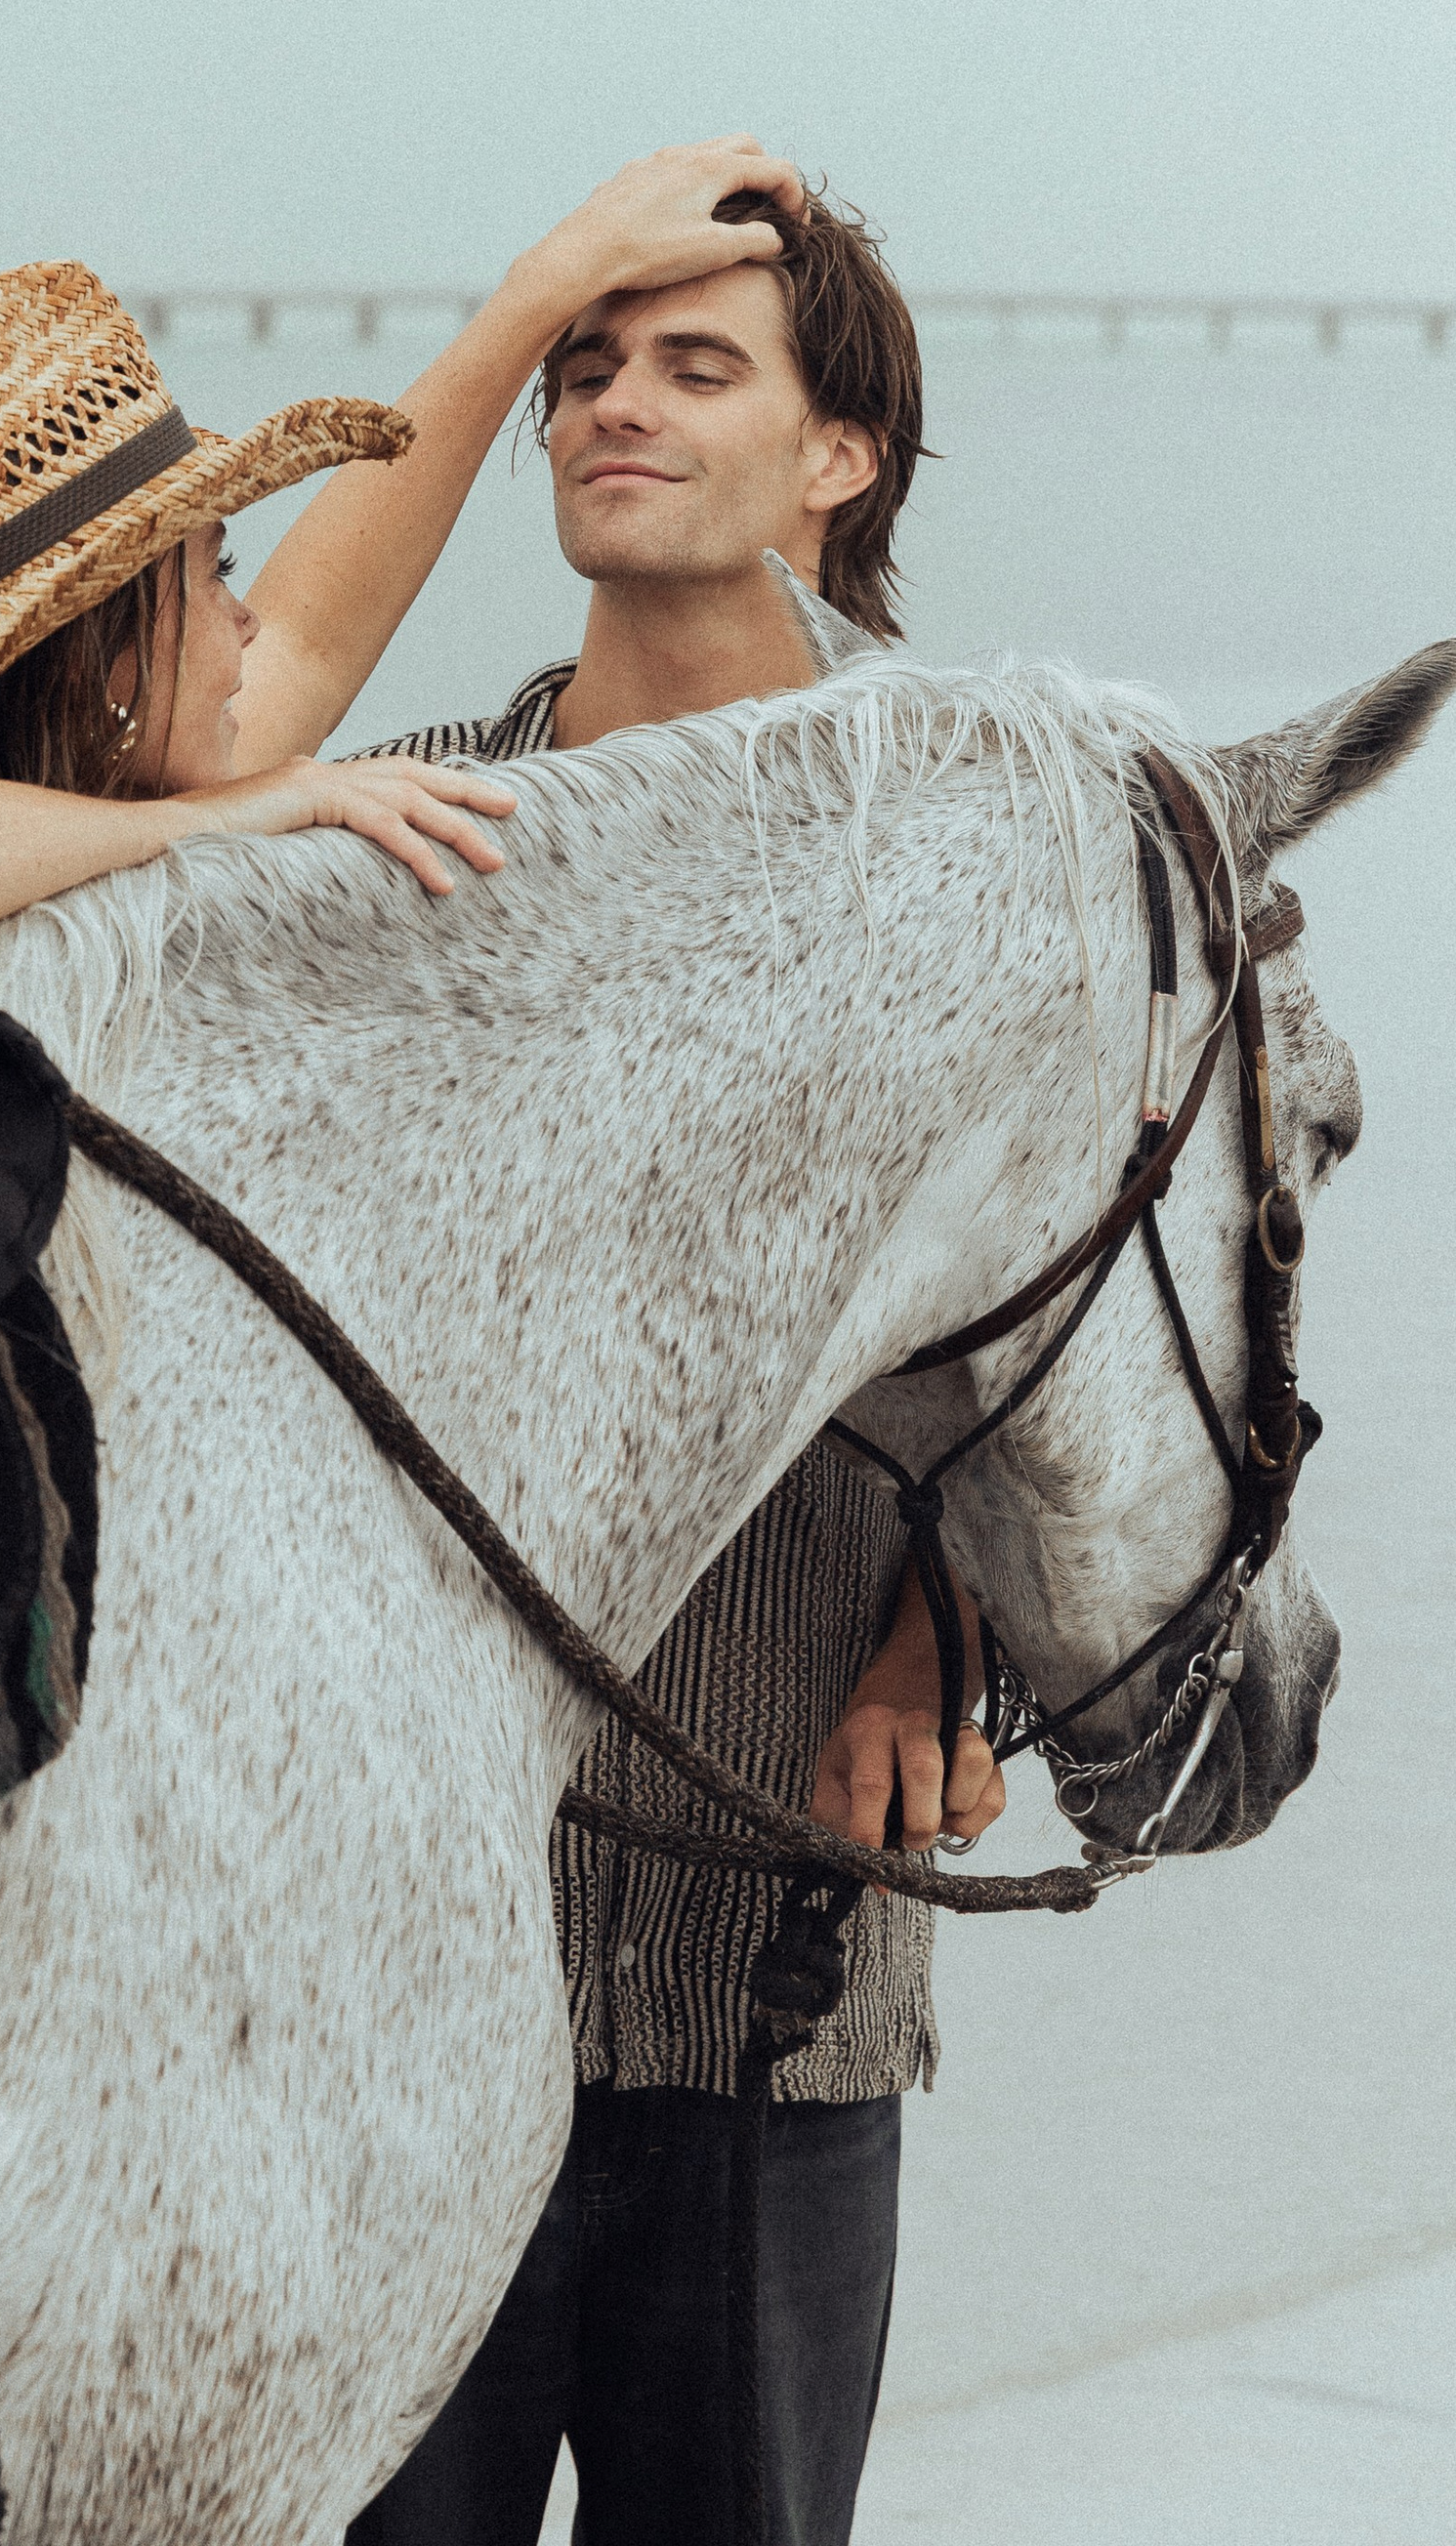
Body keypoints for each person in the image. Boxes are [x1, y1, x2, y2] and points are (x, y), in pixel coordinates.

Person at [343, 187, 1007, 2546]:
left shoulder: (967, 847)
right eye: (581, 361)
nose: (610, 398)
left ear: (842, 453)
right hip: (388, 1975)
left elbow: (1104, 1331)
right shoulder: (398, 831)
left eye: (693, 365)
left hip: (773, 1951)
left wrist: (946, 1639)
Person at [0, 139, 806, 938]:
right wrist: (240, 814)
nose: (251, 619)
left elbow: (317, 631)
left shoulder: (86, 796)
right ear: (90, 655)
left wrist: (544, 292)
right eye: (214, 572)